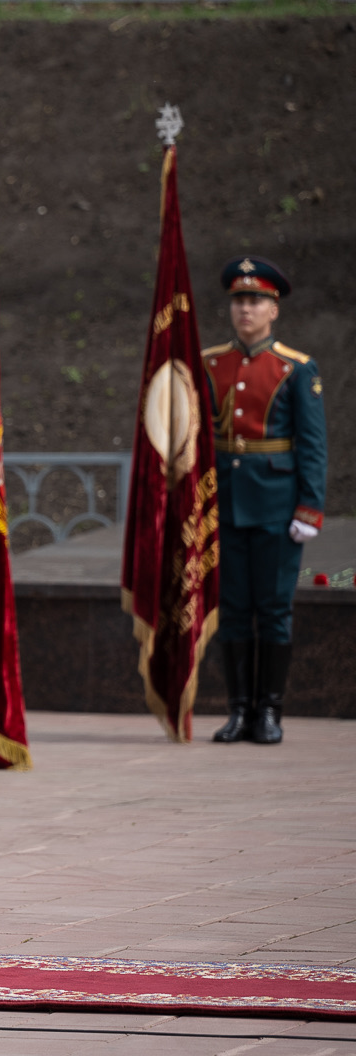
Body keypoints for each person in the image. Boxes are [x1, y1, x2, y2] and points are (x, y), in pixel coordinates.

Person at [202, 256, 326, 746]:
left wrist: (309, 509)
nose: (245, 310)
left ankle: (269, 711)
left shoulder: (296, 368)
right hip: (227, 502)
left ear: (274, 310)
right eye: (238, 301)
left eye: (255, 301)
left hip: (277, 503)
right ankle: (238, 710)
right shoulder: (212, 363)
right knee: (233, 608)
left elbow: (313, 445)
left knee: (273, 608)